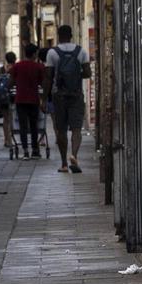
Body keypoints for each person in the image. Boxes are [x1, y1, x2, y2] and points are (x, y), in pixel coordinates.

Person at [44, 25, 91, 173]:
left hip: (59, 96)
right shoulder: (81, 51)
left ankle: (64, 163)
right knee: (77, 129)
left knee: (61, 129)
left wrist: (44, 98)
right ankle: (74, 155)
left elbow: (48, 77)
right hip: (76, 94)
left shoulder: (52, 53)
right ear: (71, 35)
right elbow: (88, 73)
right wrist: (76, 76)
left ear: (58, 35)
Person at [11, 43, 45, 158]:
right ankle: (35, 149)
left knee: (23, 126)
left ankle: (25, 150)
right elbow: (42, 83)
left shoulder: (17, 66)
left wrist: (7, 88)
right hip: (33, 100)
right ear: (34, 54)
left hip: (20, 99)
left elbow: (11, 82)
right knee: (33, 125)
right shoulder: (38, 67)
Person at [0, 51, 16, 148]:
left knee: (5, 119)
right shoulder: (16, 68)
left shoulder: (2, 69)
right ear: (15, 59)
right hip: (13, 96)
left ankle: (6, 139)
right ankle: (11, 140)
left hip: (3, 96)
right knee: (12, 119)